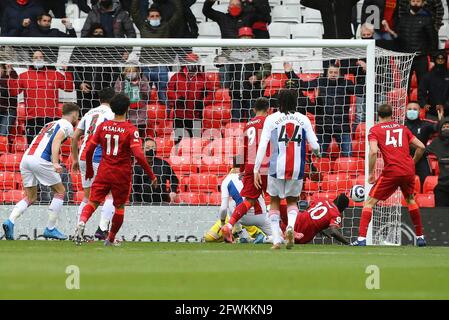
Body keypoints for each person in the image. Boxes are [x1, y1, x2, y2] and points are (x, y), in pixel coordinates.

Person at [74, 94, 157, 246]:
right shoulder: (131, 129)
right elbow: (138, 154)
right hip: (121, 173)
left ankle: (82, 221)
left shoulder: (102, 126)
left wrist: (90, 170)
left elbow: (89, 149)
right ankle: (110, 238)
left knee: (93, 201)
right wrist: (151, 175)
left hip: (104, 170)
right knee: (119, 206)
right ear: (127, 109)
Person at [254, 89, 321, 250]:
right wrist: (318, 154)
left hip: (276, 167)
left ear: (279, 102)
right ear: (295, 102)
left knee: (275, 201)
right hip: (297, 168)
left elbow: (263, 145)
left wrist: (256, 168)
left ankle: (277, 240)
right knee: (292, 201)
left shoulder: (271, 119)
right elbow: (316, 146)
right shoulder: (303, 119)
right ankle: (291, 226)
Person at [2, 103, 80, 241]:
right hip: (41, 160)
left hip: (26, 159)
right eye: (77, 116)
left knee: (31, 197)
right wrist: (55, 162)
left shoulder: (50, 123)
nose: (77, 119)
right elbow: (56, 141)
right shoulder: (66, 125)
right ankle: (50, 228)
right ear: (74, 114)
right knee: (60, 191)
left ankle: (10, 221)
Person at [353, 104, 426, 246]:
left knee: (369, 202)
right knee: (410, 200)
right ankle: (420, 237)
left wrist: (371, 173)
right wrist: (413, 162)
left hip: (392, 171)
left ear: (378, 114)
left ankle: (361, 239)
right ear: (391, 114)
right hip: (408, 170)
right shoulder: (403, 128)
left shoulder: (374, 130)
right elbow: (422, 147)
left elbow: (373, 151)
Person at [221, 98, 271, 243]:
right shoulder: (268, 122)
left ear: (253, 110)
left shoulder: (247, 125)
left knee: (249, 200)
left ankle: (229, 225)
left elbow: (243, 150)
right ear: (268, 109)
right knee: (278, 197)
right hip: (266, 164)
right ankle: (288, 229)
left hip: (250, 165)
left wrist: (242, 170)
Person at [71, 88, 116, 241]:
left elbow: (75, 136)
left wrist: (75, 159)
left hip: (84, 157)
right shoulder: (112, 114)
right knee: (111, 193)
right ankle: (103, 229)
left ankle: (79, 230)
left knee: (87, 197)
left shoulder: (89, 113)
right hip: (98, 157)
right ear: (113, 99)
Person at [131, 0, 184, 108]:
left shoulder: (166, 27)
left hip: (162, 66)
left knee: (164, 97)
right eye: (152, 16)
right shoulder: (142, 26)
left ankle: (167, 120)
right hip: (145, 67)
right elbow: (134, 11)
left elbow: (178, 13)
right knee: (144, 97)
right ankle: (143, 121)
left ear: (160, 17)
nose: (154, 18)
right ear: (148, 18)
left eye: (157, 16)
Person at [18, 50, 74, 145]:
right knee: (33, 146)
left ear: (44, 59)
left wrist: (67, 71)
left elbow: (69, 88)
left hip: (51, 119)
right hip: (33, 120)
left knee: (51, 146)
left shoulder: (54, 74)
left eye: (41, 57)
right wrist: (9, 74)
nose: (38, 59)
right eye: (36, 58)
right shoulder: (24, 76)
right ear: (31, 60)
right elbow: (14, 91)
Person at [383, 0, 438, 89]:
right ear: (410, 2)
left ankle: (422, 103)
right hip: (406, 58)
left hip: (421, 57)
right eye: (413, 1)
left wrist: (432, 59)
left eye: (418, 1)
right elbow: (398, 39)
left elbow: (433, 40)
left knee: (423, 85)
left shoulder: (427, 19)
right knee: (405, 86)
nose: (415, 3)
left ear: (422, 3)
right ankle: (404, 103)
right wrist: (390, 31)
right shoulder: (403, 18)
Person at [70, 24, 122, 115]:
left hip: (104, 94)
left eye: (101, 33)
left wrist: (109, 87)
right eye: (96, 32)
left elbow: (116, 70)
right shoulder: (81, 48)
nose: (98, 35)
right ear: (90, 34)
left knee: (103, 119)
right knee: (86, 118)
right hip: (84, 93)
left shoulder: (110, 49)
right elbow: (73, 67)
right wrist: (80, 84)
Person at [218, 157, 272, 243]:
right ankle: (264, 239)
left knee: (231, 204)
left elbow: (223, 208)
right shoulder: (255, 174)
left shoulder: (227, 180)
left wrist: (222, 223)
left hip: (239, 217)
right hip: (260, 216)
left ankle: (241, 235)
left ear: (233, 166)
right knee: (278, 237)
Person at [315, 64, 355, 157]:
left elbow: (361, 90)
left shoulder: (346, 84)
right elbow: (304, 84)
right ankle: (319, 171)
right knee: (319, 157)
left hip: (342, 126)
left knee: (348, 156)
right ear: (327, 73)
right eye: (331, 72)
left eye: (336, 73)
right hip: (323, 127)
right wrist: (289, 73)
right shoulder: (320, 83)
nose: (333, 75)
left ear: (340, 74)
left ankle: (348, 171)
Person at [278, 194, 350, 245]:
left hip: (293, 222)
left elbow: (308, 208)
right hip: (302, 234)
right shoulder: (336, 214)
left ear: (336, 199)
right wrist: (348, 243)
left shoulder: (323, 200)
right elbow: (334, 232)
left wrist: (318, 225)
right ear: (343, 208)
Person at [167, 53, 209, 139]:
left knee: (196, 141)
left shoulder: (203, 78)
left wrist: (203, 102)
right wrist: (177, 98)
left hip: (196, 116)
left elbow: (210, 93)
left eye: (194, 63)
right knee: (178, 142)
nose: (191, 65)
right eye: (189, 62)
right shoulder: (176, 77)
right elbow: (169, 90)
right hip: (179, 116)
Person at [405, 101, 443, 186]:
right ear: (405, 111)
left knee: (426, 182)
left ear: (419, 111)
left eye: (415, 109)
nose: (412, 111)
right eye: (409, 109)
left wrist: (441, 117)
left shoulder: (425, 124)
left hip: (421, 159)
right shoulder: (400, 125)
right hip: (404, 160)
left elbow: (441, 127)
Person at [131, 138, 179, 204]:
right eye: (147, 147)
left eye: (153, 147)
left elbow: (174, 179)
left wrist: (172, 191)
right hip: (142, 203)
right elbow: (133, 188)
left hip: (161, 202)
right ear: (142, 149)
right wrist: (135, 204)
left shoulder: (163, 164)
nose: (151, 150)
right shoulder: (137, 166)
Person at [114, 65, 150, 137]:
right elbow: (117, 93)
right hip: (125, 116)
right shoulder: (121, 79)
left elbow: (147, 94)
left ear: (137, 72)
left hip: (140, 118)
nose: (130, 73)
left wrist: (139, 84)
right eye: (128, 71)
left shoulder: (142, 79)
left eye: (133, 71)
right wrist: (123, 83)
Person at [418, 51, 449, 121]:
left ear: (445, 60)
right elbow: (421, 92)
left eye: (442, 59)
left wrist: (445, 106)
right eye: (438, 59)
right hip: (431, 112)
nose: (440, 61)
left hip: (448, 112)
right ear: (435, 60)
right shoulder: (427, 76)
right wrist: (424, 104)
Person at [426, 117, 449, 207]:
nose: (446, 128)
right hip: (442, 186)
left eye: (448, 126)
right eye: (444, 127)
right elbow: (424, 152)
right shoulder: (436, 142)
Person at [0, 64, 18, 137]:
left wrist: (10, 72)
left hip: (8, 111)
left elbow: (14, 89)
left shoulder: (10, 76)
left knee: (2, 135)